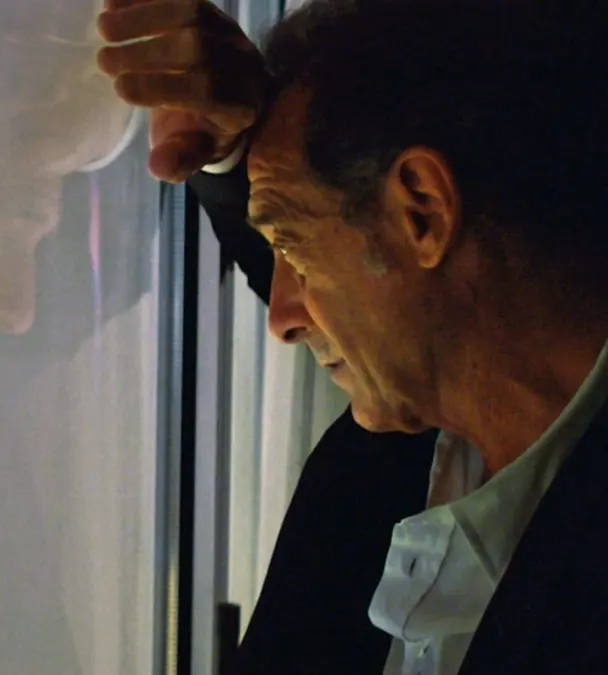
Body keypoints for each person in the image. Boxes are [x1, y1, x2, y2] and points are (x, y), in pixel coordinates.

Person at [98, 0, 608, 673]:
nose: (282, 319)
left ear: (422, 211)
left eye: (290, 245)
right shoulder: (405, 418)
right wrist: (231, 147)